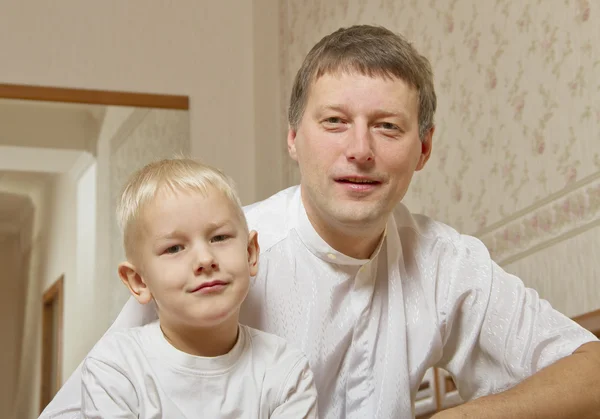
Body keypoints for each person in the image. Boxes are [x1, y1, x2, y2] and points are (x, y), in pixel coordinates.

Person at [41, 24, 599, 419]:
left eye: (387, 127)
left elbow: (591, 370)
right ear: (293, 137)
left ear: (424, 148)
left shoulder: (447, 261)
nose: (360, 150)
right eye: (334, 122)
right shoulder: (212, 261)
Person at [78, 159, 318, 418]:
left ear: (250, 253)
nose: (205, 259)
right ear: (138, 281)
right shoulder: (117, 365)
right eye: (174, 248)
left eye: (219, 237)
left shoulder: (286, 371)